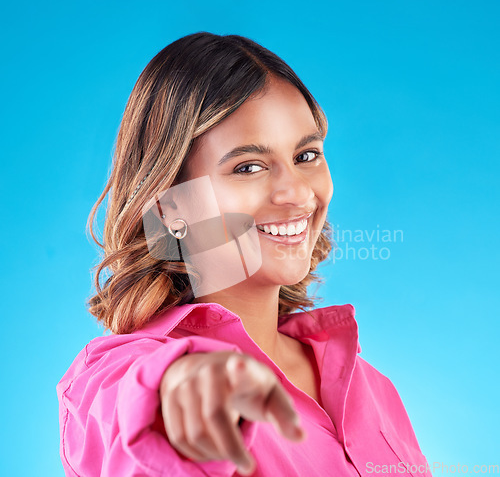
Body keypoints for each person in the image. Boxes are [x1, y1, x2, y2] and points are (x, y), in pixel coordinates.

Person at [57, 32, 432, 477]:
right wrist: (171, 384)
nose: (296, 192)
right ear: (170, 210)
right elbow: (120, 403)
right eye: (248, 167)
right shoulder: (117, 379)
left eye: (306, 154)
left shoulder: (370, 386)